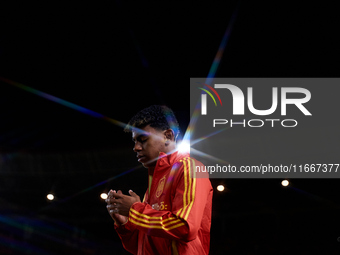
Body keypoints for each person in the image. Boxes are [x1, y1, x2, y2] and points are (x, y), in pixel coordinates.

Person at [106, 105, 213, 255]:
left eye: (142, 140)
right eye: (134, 141)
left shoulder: (190, 168)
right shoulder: (153, 185)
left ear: (168, 136)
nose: (135, 147)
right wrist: (125, 223)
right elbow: (141, 246)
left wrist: (135, 211)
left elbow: (186, 227)